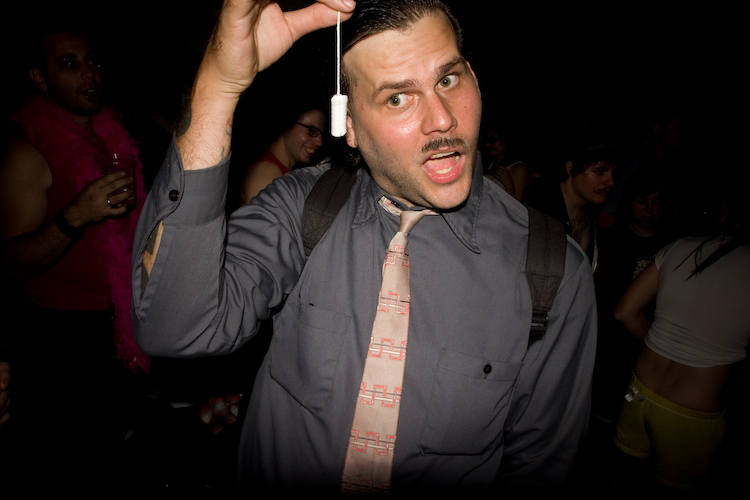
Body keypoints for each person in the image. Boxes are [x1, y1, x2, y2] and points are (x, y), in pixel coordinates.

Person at [133, 0, 597, 495]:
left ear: (475, 81)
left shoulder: (551, 269)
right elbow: (172, 327)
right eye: (397, 98)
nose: (442, 120)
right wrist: (218, 88)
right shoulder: (305, 207)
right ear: (349, 125)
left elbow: (539, 467)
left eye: (448, 79)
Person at [0, 27, 147, 491]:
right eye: (69, 63)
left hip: (115, 323)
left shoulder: (112, 138)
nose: (90, 73)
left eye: (93, 61)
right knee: (62, 463)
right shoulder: (27, 155)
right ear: (39, 79)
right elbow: (9, 263)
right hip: (55, 339)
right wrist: (76, 216)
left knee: (108, 452)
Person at [612, 177, 750, 491]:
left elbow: (625, 312)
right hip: (690, 413)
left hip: (638, 392)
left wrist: (662, 342)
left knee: (626, 481)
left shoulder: (680, 246)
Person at [523, 139, 617, 269]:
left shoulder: (591, 208)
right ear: (570, 168)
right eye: (599, 172)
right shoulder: (540, 207)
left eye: (613, 172)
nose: (610, 181)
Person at [239, 105, 326, 204]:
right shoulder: (267, 172)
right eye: (312, 131)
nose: (319, 142)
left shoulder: (284, 172)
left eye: (321, 134)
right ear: (287, 125)